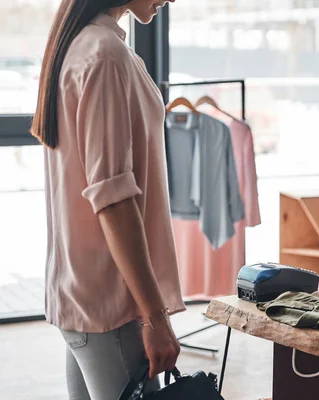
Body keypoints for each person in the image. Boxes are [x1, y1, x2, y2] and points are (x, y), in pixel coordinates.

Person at [30, 1, 184, 399]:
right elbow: (113, 199)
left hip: (86, 295)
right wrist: (155, 318)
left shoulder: (83, 46)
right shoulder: (106, 56)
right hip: (113, 303)